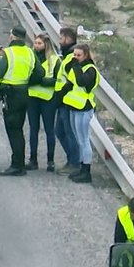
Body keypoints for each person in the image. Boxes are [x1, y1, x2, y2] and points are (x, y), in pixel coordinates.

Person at [0, 26, 35, 176]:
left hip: (11, 94)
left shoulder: (8, 53)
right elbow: (39, 73)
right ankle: (19, 163)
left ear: (12, 37)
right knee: (19, 129)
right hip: (24, 93)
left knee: (13, 130)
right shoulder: (30, 52)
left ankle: (17, 165)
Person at [59, 43, 99, 183]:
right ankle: (82, 168)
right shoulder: (77, 67)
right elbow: (70, 84)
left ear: (86, 55)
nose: (75, 58)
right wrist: (58, 95)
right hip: (74, 107)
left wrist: (75, 66)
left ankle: (86, 171)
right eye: (74, 55)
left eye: (78, 55)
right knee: (78, 139)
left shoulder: (90, 69)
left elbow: (82, 83)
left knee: (84, 139)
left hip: (84, 108)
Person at [25, 33, 61, 171]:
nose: (37, 45)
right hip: (32, 97)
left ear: (46, 44)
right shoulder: (30, 58)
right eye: (35, 43)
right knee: (33, 129)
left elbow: (58, 80)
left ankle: (50, 161)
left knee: (49, 130)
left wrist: (43, 81)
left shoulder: (54, 60)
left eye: (39, 43)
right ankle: (33, 159)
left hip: (48, 99)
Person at [52, 26, 80, 171]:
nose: (60, 41)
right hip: (62, 101)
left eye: (61, 38)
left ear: (68, 39)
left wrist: (61, 95)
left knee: (68, 133)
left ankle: (74, 162)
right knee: (60, 131)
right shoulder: (66, 55)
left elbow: (71, 81)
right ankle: (72, 160)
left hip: (67, 101)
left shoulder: (72, 57)